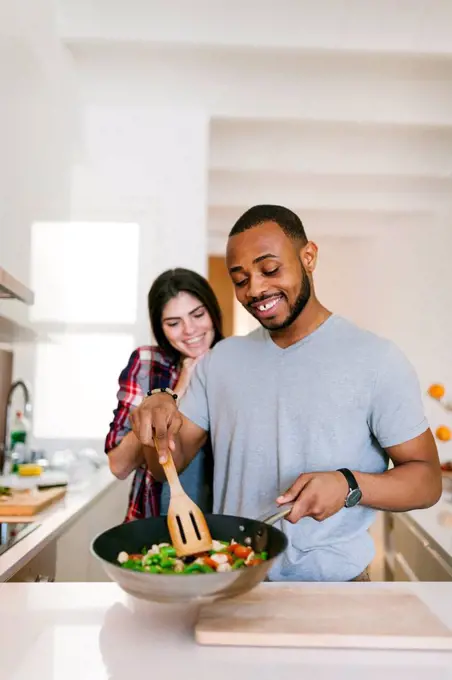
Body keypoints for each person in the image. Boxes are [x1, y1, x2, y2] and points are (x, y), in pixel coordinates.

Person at [129, 205, 442, 582]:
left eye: (270, 269)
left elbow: (427, 481)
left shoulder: (376, 359)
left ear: (308, 257)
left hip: (336, 588)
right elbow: (167, 467)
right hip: (237, 579)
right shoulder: (220, 362)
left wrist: (350, 485)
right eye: (240, 279)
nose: (255, 289)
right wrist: (158, 405)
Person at [105, 267, 223, 521]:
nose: (189, 330)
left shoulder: (233, 361)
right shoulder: (147, 362)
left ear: (213, 312)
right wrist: (175, 391)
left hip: (220, 523)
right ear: (160, 328)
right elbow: (118, 466)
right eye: (173, 323)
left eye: (198, 315)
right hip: (152, 519)